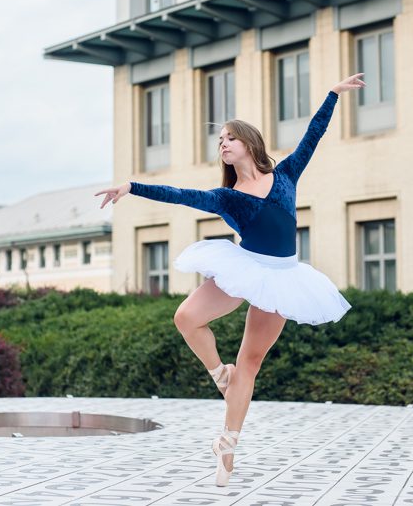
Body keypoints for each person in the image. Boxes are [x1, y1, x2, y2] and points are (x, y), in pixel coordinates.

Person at [95, 73, 365, 486]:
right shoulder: (226, 197)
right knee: (186, 318)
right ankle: (218, 373)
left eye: (229, 138)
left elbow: (314, 135)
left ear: (249, 143)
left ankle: (228, 446)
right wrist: (131, 186)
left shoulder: (287, 174)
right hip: (244, 267)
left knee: (250, 364)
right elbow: (180, 195)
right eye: (219, 140)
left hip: (282, 277)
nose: (222, 144)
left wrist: (332, 94)